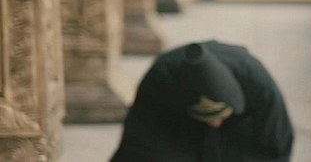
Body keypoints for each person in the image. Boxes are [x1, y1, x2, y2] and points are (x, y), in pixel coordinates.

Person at [111, 40, 294, 162]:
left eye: (219, 115)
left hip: (239, 128)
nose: (215, 123)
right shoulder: (161, 79)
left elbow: (276, 146)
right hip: (178, 122)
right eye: (207, 117)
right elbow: (140, 144)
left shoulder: (257, 82)